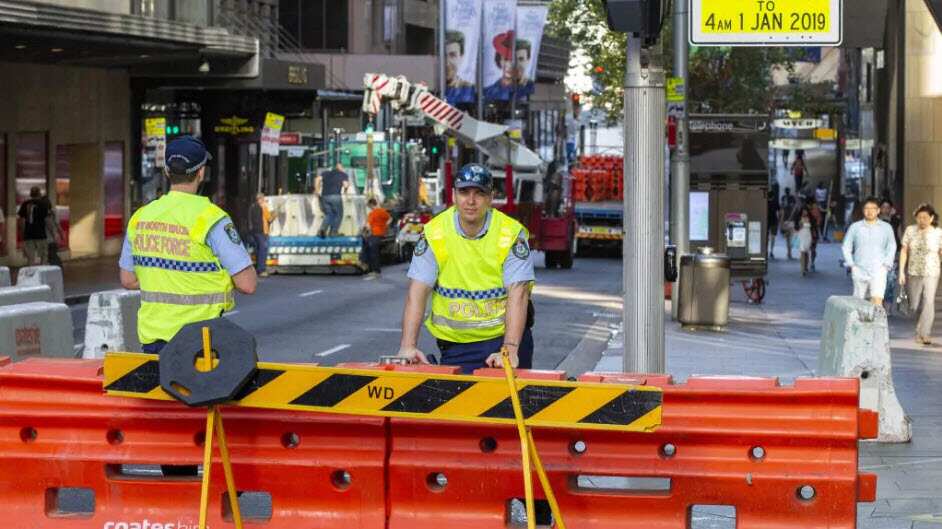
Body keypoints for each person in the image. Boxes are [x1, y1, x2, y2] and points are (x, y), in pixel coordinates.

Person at [118, 136, 257, 354]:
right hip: (202, 343)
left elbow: (128, 280)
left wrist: (167, 280)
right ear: (201, 172)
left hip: (153, 342)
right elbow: (247, 284)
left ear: (166, 171)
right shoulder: (213, 219)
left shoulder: (140, 217)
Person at [396, 163, 535, 373]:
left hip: (503, 342)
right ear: (453, 195)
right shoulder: (435, 233)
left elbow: (519, 293)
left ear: (490, 198)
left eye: (479, 193)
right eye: (464, 192)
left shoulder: (511, 234)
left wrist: (510, 349)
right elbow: (417, 291)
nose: (471, 201)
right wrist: (408, 346)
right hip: (457, 347)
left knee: (508, 405)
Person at [899, 204, 942, 345]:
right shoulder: (910, 231)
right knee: (915, 304)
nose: (922, 220)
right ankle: (919, 329)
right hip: (914, 272)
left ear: (931, 218)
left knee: (929, 302)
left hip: (932, 272)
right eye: (919, 217)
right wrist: (901, 272)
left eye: (925, 217)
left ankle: (925, 333)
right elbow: (904, 251)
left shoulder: (938, 233)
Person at [842, 197, 898, 306]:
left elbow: (892, 246)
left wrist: (886, 264)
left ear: (878, 210)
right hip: (859, 268)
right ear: (863, 210)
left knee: (877, 300)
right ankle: (861, 323)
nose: (870, 211)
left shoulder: (886, 227)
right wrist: (851, 264)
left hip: (879, 269)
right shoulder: (855, 227)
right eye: (867, 208)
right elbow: (846, 246)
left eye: (873, 208)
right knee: (859, 302)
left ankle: (874, 322)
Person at [316, 163, 351, 237]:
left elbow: (317, 179)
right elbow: (345, 185)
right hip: (335, 196)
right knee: (338, 214)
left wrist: (317, 190)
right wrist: (345, 190)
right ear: (340, 168)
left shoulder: (326, 173)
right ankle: (333, 232)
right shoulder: (343, 174)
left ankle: (322, 230)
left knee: (329, 214)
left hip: (324, 196)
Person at [18, 186, 50, 265]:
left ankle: (32, 275)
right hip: (41, 235)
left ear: (30, 194)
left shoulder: (25, 204)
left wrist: (22, 234)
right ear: (39, 194)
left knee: (30, 259)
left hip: (28, 235)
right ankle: (42, 275)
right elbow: (47, 220)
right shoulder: (43, 204)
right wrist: (51, 233)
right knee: (43, 258)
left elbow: (21, 221)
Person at [363, 198, 392, 279]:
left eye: (369, 206)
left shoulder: (372, 213)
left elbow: (368, 226)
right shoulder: (382, 211)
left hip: (374, 234)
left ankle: (375, 272)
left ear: (371, 205)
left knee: (373, 253)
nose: (369, 207)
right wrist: (384, 226)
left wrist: (364, 231)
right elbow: (390, 219)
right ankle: (375, 271)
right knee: (375, 253)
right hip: (380, 234)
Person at [247, 193, 272, 277]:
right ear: (260, 199)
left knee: (257, 250)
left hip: (254, 232)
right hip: (261, 232)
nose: (264, 200)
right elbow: (269, 218)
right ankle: (261, 269)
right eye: (263, 199)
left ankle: (257, 269)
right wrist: (274, 215)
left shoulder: (252, 207)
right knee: (263, 251)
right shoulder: (262, 207)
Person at [42, 195, 65, 267]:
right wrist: (61, 236)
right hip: (52, 239)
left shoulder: (46, 214)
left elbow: (50, 226)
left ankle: (57, 270)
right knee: (52, 256)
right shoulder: (53, 212)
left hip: (47, 239)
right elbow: (58, 226)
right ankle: (57, 270)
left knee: (50, 257)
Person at [780, 188, 798, 260]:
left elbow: (782, 210)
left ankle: (789, 253)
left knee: (788, 239)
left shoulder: (784, 198)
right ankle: (789, 253)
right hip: (790, 221)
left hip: (786, 221)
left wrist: (781, 223)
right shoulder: (790, 198)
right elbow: (794, 209)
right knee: (790, 238)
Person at [767, 189, 781, 259]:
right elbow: (778, 212)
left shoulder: (765, 202)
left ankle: (765, 250)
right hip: (774, 221)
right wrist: (779, 221)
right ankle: (771, 251)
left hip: (766, 221)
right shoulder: (776, 202)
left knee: (766, 237)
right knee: (773, 237)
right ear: (773, 196)